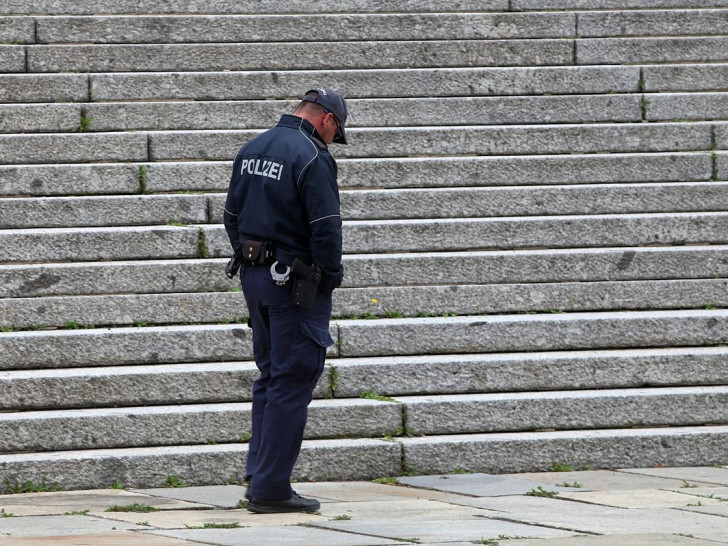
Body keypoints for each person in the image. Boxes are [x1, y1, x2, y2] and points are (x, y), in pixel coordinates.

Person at [223, 88, 347, 514]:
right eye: (335, 132)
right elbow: (326, 226)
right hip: (295, 285)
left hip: (256, 276)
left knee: (272, 375)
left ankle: (260, 475)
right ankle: (271, 488)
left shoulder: (253, 147)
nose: (333, 140)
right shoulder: (311, 154)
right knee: (293, 379)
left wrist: (249, 254)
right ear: (326, 119)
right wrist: (328, 279)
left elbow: (231, 216)